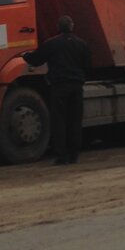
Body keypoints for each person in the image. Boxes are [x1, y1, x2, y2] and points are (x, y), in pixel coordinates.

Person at [23, 16, 92, 165]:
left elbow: (36, 59)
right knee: (75, 120)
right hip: (76, 86)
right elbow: (88, 64)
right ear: (72, 26)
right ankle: (74, 155)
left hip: (59, 86)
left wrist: (24, 55)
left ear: (57, 27)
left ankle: (62, 155)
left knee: (59, 121)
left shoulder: (51, 44)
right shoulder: (82, 44)